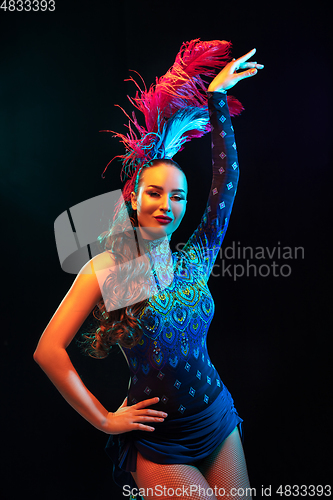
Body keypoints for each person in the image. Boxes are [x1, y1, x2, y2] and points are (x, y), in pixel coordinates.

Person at [34, 39, 263, 500]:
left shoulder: (196, 258)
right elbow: (48, 351)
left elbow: (226, 183)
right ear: (134, 197)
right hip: (162, 443)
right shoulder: (108, 268)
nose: (167, 205)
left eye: (177, 196)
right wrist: (104, 418)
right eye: (155, 192)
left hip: (216, 416)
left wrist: (217, 101)